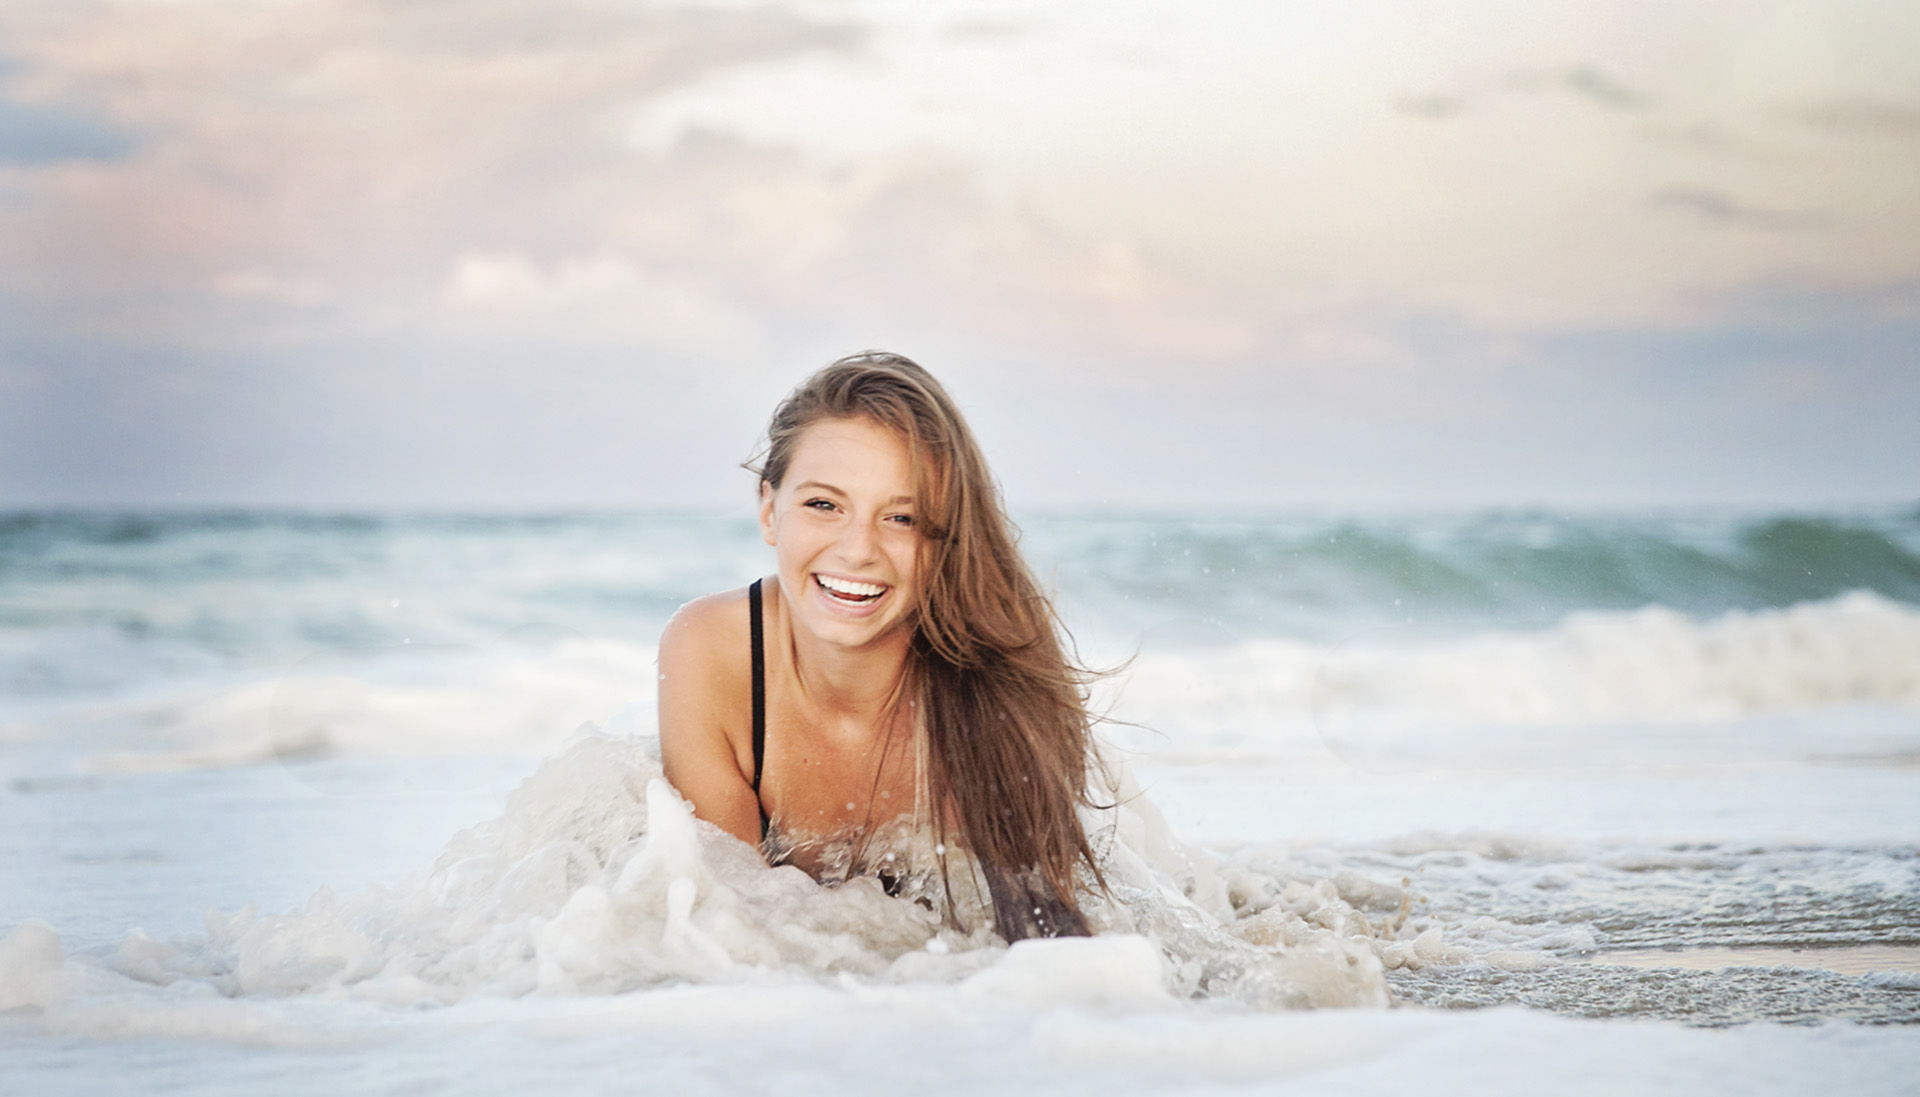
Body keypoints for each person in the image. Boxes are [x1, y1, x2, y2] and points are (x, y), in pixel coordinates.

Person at [657, 352, 1106, 941]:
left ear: (944, 537)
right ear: (769, 511)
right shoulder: (714, 649)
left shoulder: (1001, 674)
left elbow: (1042, 941)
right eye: (824, 505)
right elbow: (731, 935)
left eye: (902, 518)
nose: (858, 549)